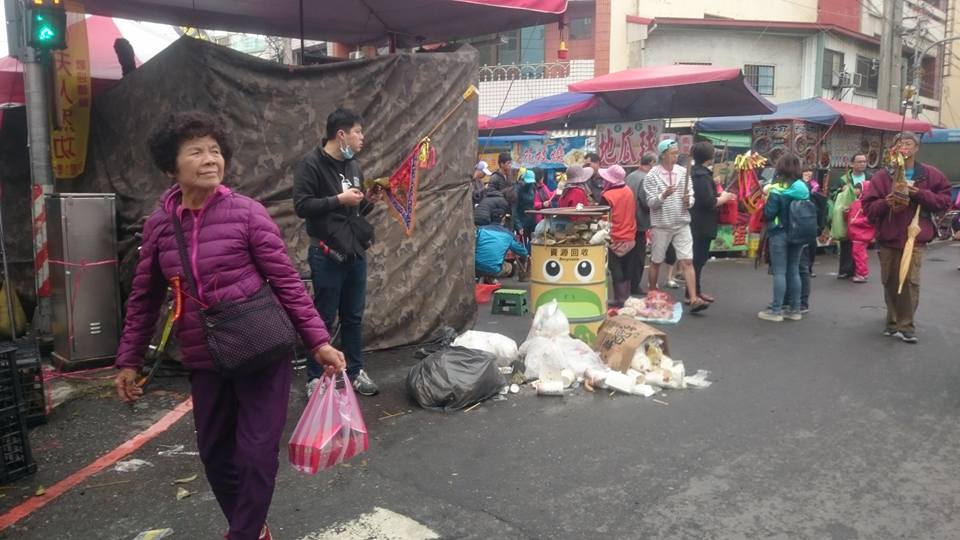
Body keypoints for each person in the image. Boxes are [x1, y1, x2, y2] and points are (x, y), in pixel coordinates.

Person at [115, 111, 346, 540]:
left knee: (256, 454)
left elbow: (287, 282)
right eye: (196, 151)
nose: (210, 159)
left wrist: (319, 341)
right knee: (216, 455)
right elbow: (144, 298)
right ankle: (253, 529)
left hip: (262, 349)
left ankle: (243, 534)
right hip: (205, 356)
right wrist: (129, 361)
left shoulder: (247, 214)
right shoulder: (160, 226)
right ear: (171, 167)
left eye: (215, 150)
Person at [293, 107, 380, 397]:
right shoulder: (311, 165)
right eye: (358, 132)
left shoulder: (354, 166)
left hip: (355, 252)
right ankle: (315, 378)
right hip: (326, 253)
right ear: (341, 134)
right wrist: (338, 199)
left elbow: (354, 211)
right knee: (323, 318)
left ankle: (355, 371)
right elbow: (302, 206)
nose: (362, 137)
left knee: (353, 315)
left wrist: (370, 201)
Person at [862, 131, 952, 344]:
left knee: (910, 282)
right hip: (889, 238)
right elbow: (869, 208)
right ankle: (892, 322)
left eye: (909, 143)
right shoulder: (882, 176)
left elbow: (944, 201)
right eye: (899, 143)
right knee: (890, 281)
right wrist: (886, 201)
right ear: (893, 149)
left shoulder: (930, 175)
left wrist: (917, 193)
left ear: (916, 147)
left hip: (915, 238)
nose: (904, 146)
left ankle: (906, 325)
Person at [643, 139, 708, 312]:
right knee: (656, 260)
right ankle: (652, 293)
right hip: (661, 224)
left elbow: (691, 195)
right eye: (672, 153)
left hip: (682, 222)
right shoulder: (652, 176)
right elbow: (650, 202)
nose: (676, 156)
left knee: (687, 260)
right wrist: (663, 195)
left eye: (677, 152)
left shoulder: (683, 172)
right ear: (663, 155)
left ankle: (693, 299)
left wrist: (689, 201)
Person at [758, 154, 810, 322]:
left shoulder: (776, 190)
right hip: (799, 234)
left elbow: (769, 214)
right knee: (794, 270)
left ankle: (776, 311)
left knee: (779, 272)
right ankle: (795, 310)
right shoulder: (803, 188)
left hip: (779, 233)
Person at [689, 141, 736, 303]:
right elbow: (709, 202)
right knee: (698, 259)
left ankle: (694, 291)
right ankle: (693, 293)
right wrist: (724, 198)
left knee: (698, 259)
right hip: (701, 223)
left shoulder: (697, 174)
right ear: (709, 157)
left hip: (696, 221)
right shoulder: (701, 176)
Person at [599, 165, 638, 307]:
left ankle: (619, 299)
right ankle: (625, 298)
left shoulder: (607, 196)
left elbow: (602, 218)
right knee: (627, 268)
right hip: (630, 235)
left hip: (614, 237)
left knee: (615, 269)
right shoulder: (628, 191)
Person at [624, 153, 657, 295]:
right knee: (638, 256)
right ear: (651, 163)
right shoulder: (645, 178)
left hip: (627, 220)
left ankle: (625, 283)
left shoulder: (630, 176)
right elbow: (646, 202)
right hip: (639, 221)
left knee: (628, 255)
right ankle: (634, 285)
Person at [833, 153, 868, 279]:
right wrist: (841, 191)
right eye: (859, 161)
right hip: (847, 213)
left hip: (862, 214)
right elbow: (833, 193)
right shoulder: (844, 179)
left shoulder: (870, 177)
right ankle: (845, 270)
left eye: (864, 161)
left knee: (860, 245)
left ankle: (858, 270)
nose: (862, 164)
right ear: (852, 164)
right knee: (846, 242)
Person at [475, 211, 529, 283]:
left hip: (475, 266)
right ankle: (490, 278)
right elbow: (522, 251)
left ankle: (486, 279)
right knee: (510, 267)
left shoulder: (480, 230)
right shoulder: (508, 234)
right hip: (493, 269)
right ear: (503, 220)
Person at [847, 181, 875, 283]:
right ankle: (861, 272)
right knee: (859, 254)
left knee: (859, 255)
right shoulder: (858, 202)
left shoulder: (866, 204)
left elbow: (870, 220)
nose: (855, 190)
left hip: (861, 234)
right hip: (857, 234)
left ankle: (862, 274)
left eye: (857, 188)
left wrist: (856, 221)